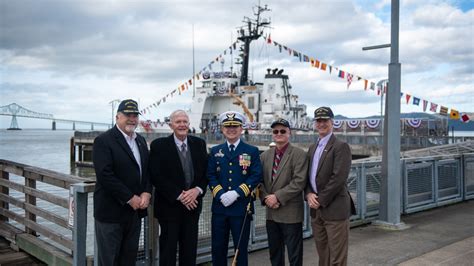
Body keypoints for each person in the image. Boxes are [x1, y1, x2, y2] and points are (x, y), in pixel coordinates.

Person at [93, 99, 152, 266]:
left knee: (129, 259)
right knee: (109, 260)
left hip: (134, 214)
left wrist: (147, 192)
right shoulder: (103, 141)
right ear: (117, 116)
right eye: (128, 115)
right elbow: (105, 175)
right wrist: (130, 198)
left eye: (135, 115)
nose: (132, 119)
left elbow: (147, 171)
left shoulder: (140, 140)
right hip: (111, 213)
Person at [149, 110, 208, 266]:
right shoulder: (159, 146)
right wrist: (180, 196)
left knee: (189, 251)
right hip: (169, 208)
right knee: (167, 251)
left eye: (185, 121)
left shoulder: (199, 144)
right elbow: (156, 176)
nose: (182, 125)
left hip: (193, 207)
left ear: (189, 124)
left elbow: (205, 174)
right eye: (178, 122)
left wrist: (197, 191)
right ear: (171, 125)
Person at [207, 111, 262, 266]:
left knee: (240, 250)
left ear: (241, 128)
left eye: (235, 126)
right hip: (220, 208)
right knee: (218, 249)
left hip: (241, 209)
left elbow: (256, 175)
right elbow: (210, 175)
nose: (231, 129)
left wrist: (236, 193)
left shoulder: (251, 151)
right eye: (227, 126)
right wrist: (220, 194)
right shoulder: (215, 151)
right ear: (222, 129)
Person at [306, 107, 356, 266]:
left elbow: (339, 178)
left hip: (334, 209)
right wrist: (308, 194)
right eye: (318, 121)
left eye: (325, 121)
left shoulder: (341, 146)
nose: (321, 124)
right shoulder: (313, 148)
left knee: (337, 258)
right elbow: (308, 176)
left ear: (332, 122)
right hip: (316, 210)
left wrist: (320, 199)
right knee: (323, 255)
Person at [259, 118, 308, 266]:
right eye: (275, 131)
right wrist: (266, 197)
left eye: (282, 131)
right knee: (275, 253)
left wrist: (277, 197)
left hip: (290, 213)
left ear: (289, 133)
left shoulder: (299, 154)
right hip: (271, 214)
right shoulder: (264, 156)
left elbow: (299, 181)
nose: (278, 133)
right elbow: (259, 181)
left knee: (294, 255)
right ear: (272, 134)